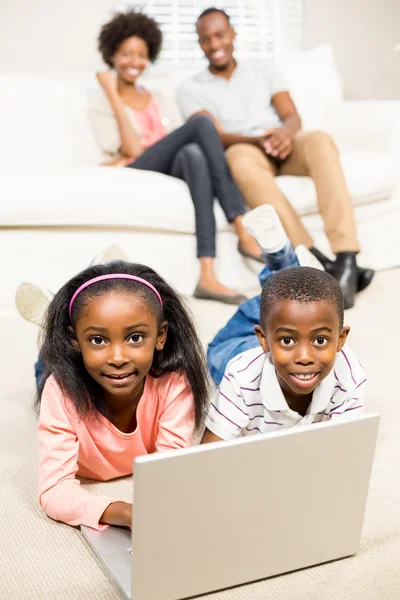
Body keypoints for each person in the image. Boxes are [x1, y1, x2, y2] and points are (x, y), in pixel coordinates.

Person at [176, 7, 375, 309]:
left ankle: (346, 258)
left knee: (320, 140)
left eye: (219, 35)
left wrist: (285, 133)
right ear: (199, 44)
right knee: (240, 161)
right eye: (205, 39)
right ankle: (315, 259)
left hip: (281, 141)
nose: (214, 44)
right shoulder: (189, 88)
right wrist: (256, 139)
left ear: (233, 34)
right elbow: (212, 134)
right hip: (243, 146)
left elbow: (291, 114)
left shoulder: (264, 68)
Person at [89, 9, 262, 305]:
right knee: (202, 124)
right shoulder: (102, 104)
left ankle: (207, 275)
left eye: (142, 55)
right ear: (112, 55)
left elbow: (174, 144)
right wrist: (112, 92)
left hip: (168, 165)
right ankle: (240, 221)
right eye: (127, 54)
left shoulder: (159, 96)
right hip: (139, 167)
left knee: (194, 154)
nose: (135, 62)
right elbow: (131, 151)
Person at [36, 260, 210, 529]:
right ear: (75, 340)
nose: (118, 358)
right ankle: (51, 317)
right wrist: (125, 513)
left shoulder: (174, 383)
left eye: (136, 337)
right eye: (98, 339)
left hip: (94, 365)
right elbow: (54, 490)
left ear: (161, 336)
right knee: (45, 368)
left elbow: (169, 471)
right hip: (76, 371)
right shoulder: (60, 392)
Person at [202, 264, 366, 444]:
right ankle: (282, 264)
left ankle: (288, 268)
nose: (304, 357)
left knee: (283, 313)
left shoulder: (349, 373)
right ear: (263, 339)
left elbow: (345, 452)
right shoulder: (240, 376)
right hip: (236, 344)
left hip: (278, 346)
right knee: (221, 353)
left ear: (341, 339)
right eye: (287, 341)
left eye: (320, 340)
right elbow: (206, 459)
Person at [207, 204, 325, 386]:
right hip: (265, 339)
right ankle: (283, 264)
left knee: (237, 362)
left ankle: (284, 265)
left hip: (246, 342)